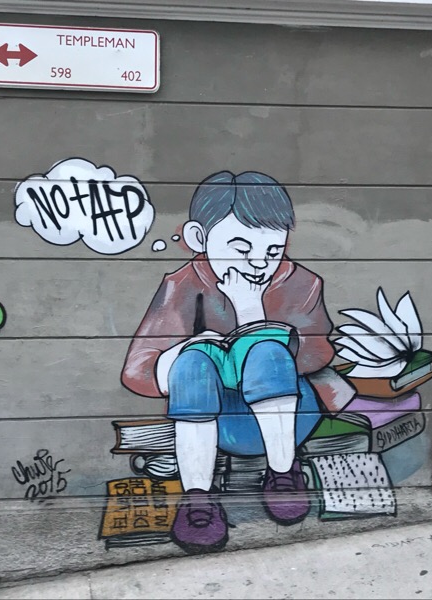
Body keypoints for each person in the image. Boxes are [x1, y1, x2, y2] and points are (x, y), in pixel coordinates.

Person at [121, 170, 354, 554]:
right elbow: (139, 370)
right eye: (240, 248)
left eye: (273, 251)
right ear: (199, 238)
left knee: (267, 352)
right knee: (192, 364)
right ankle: (198, 499)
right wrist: (188, 350)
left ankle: (283, 474)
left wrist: (251, 315)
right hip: (219, 424)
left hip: (289, 419)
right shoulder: (183, 285)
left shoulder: (302, 283)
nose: (259, 262)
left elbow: (317, 353)